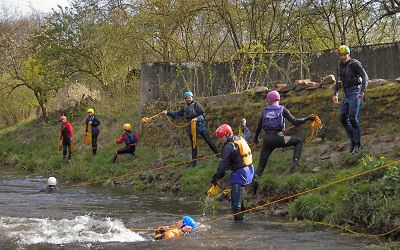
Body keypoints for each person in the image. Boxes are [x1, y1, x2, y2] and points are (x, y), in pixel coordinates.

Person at [251, 91, 314, 195]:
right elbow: (295, 122)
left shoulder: (265, 110)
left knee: (261, 166)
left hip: (267, 140)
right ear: (278, 99)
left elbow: (259, 127)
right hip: (278, 138)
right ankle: (296, 162)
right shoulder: (282, 109)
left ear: (269, 100)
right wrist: (308, 118)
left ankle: (253, 191)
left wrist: (256, 139)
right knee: (298, 141)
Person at [210, 124, 254, 222]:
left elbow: (222, 167)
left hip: (240, 174)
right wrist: (244, 127)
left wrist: (215, 179)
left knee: (235, 206)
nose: (220, 139)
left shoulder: (228, 147)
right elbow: (248, 134)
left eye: (221, 137)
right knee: (238, 196)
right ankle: (243, 217)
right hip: (250, 171)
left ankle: (239, 227)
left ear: (228, 135)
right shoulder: (240, 138)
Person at [162, 91, 218, 168]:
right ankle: (193, 163)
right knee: (193, 145)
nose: (188, 99)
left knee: (209, 141)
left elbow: (203, 115)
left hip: (200, 126)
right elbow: (177, 114)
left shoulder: (196, 105)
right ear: (185, 99)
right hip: (191, 128)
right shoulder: (184, 108)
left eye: (189, 98)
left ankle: (218, 155)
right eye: (187, 98)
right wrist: (168, 113)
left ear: (192, 98)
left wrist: (196, 118)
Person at [333, 45, 368, 155]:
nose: (343, 57)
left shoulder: (354, 63)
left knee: (353, 118)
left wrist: (362, 91)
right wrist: (335, 94)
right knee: (343, 118)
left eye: (345, 54)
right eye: (341, 55)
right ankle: (353, 142)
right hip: (346, 93)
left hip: (355, 91)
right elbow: (338, 82)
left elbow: (365, 76)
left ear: (349, 54)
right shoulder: (340, 67)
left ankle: (358, 145)